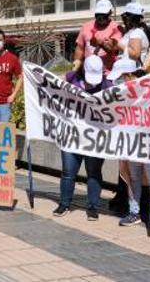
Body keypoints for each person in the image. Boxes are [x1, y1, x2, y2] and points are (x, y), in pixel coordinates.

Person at [109, 61, 150, 233]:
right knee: (134, 178)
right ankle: (134, 212)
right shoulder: (121, 91)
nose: (121, 79)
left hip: (147, 142)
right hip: (131, 142)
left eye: (123, 76)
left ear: (129, 74)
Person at [54, 55, 111, 220]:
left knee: (93, 172)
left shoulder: (106, 84)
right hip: (71, 135)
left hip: (94, 138)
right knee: (68, 172)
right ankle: (64, 204)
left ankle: (92, 207)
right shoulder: (72, 78)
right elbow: (54, 84)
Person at [72, 0, 122, 74]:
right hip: (88, 72)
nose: (100, 17)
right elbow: (80, 48)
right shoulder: (86, 27)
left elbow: (114, 50)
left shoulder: (116, 28)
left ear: (110, 13)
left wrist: (101, 44)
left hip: (108, 73)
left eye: (104, 15)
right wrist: (75, 66)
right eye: (98, 15)